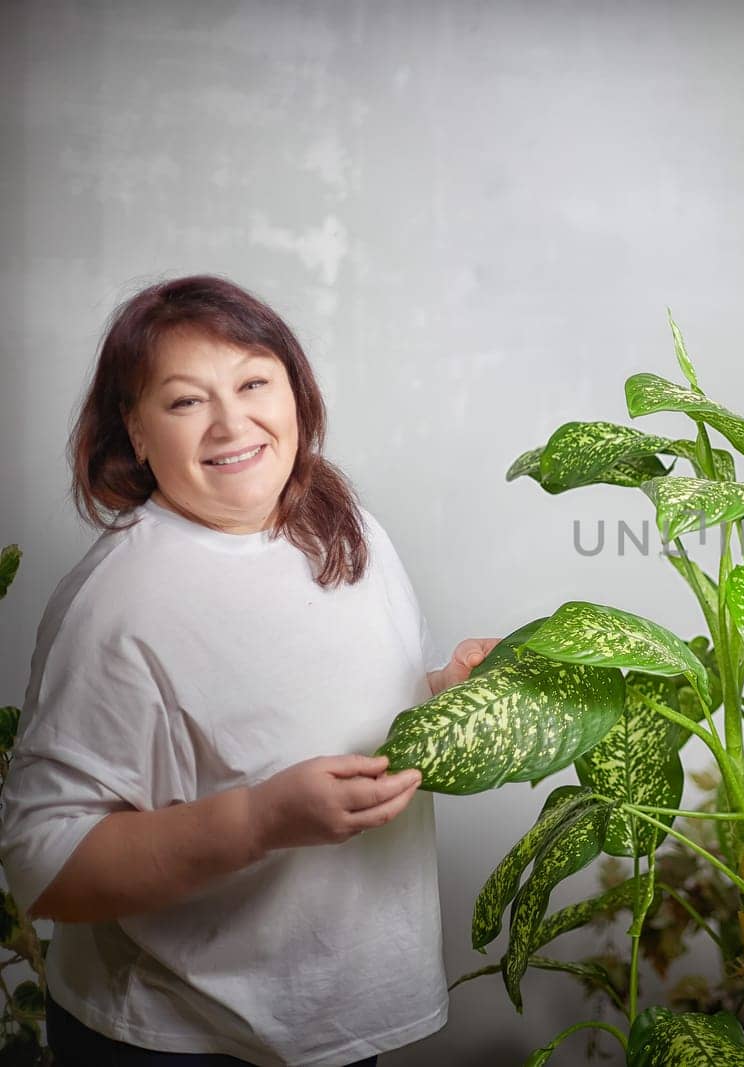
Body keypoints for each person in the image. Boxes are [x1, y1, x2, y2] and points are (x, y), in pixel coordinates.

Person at [0, 276, 496, 1066]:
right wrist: (260, 820)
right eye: (185, 401)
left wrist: (448, 699)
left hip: (328, 1023)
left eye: (254, 382)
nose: (232, 422)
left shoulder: (342, 522)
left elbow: (352, 709)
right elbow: (42, 862)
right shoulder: (117, 601)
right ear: (133, 428)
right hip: (183, 1036)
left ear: (294, 391)